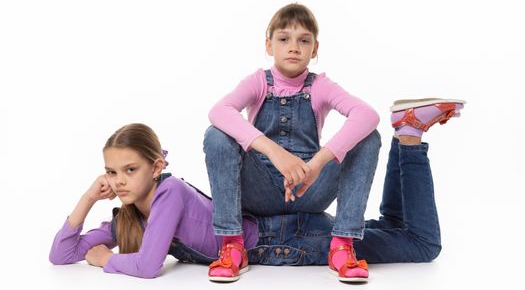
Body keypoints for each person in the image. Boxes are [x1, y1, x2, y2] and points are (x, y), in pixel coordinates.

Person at [49, 98, 465, 283]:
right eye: (111, 172)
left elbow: (148, 265)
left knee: (421, 245)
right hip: (287, 234)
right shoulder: (128, 217)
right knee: (394, 228)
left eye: (130, 169)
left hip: (289, 240)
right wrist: (88, 198)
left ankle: (409, 137)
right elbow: (61, 254)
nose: (119, 180)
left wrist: (105, 260)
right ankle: (404, 134)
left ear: (157, 166)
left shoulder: (169, 192)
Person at [203, 3, 380, 281]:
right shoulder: (259, 82)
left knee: (368, 138)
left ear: (315, 49)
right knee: (216, 134)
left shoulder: (320, 85)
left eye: (304, 40)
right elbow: (219, 111)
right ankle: (232, 244)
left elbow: (367, 115)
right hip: (259, 189)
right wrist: (275, 152)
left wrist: (316, 164)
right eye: (284, 39)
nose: (294, 47)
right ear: (269, 46)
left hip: (308, 190)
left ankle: (342, 246)